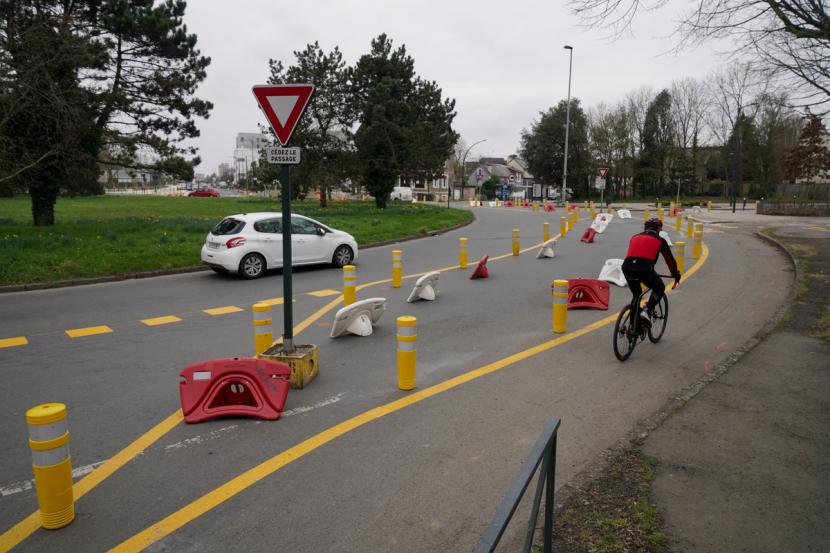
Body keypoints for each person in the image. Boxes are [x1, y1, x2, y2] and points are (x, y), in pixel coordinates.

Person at [622, 218, 681, 325]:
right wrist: (675, 274)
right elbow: (669, 260)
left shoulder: (634, 237)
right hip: (644, 268)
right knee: (659, 288)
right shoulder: (660, 240)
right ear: (659, 229)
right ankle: (647, 311)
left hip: (627, 267)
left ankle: (632, 325)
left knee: (637, 295)